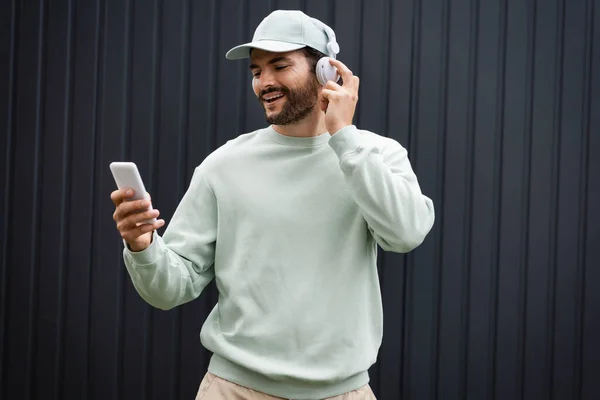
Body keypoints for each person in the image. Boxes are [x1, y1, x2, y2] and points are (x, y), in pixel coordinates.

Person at [111, 9, 435, 400]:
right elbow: (169, 290)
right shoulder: (223, 165)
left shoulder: (376, 154)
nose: (264, 82)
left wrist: (345, 139)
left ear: (327, 73)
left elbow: (406, 234)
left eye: (280, 66)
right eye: (256, 71)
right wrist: (142, 246)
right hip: (234, 390)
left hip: (343, 392)